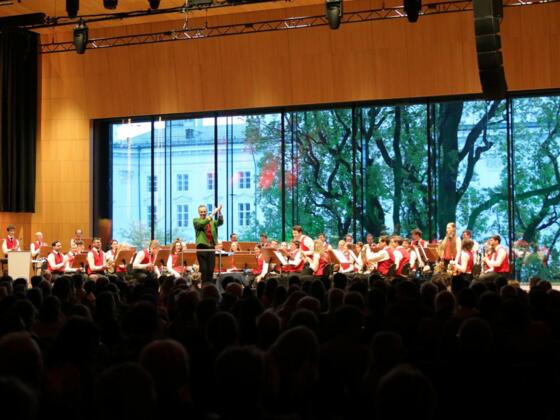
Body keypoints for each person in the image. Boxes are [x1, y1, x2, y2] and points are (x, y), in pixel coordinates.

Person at [193, 203, 223, 284]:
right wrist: (212, 213)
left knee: (211, 269)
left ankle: (210, 286)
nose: (203, 213)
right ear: (198, 212)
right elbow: (201, 224)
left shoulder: (211, 222)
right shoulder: (196, 220)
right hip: (202, 247)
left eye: (204, 211)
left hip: (211, 247)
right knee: (204, 269)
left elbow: (220, 222)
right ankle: (204, 286)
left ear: (206, 212)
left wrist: (219, 212)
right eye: (201, 212)